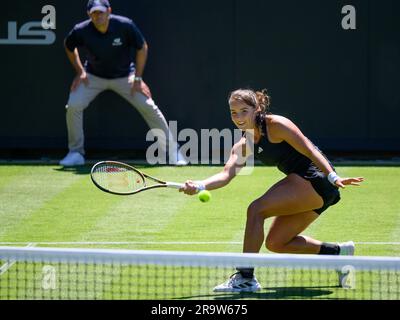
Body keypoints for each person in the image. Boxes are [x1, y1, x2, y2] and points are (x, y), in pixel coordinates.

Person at [180, 88, 364, 292]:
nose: (239, 117)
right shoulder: (245, 143)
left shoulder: (276, 125)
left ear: (256, 109)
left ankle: (245, 277)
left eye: (244, 111)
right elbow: (226, 175)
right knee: (277, 242)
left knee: (256, 209)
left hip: (316, 179)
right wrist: (200, 185)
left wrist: (333, 175)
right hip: (311, 189)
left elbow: (309, 149)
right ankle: (339, 254)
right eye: (233, 112)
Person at [60, 0, 186, 166]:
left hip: (125, 76)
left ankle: (172, 151)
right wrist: (80, 71)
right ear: (89, 15)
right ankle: (75, 153)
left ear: (109, 11)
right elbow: (68, 46)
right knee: (74, 105)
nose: (98, 16)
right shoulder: (81, 30)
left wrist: (138, 78)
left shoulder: (125, 26)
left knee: (148, 105)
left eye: (101, 12)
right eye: (94, 13)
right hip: (93, 76)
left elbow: (142, 47)